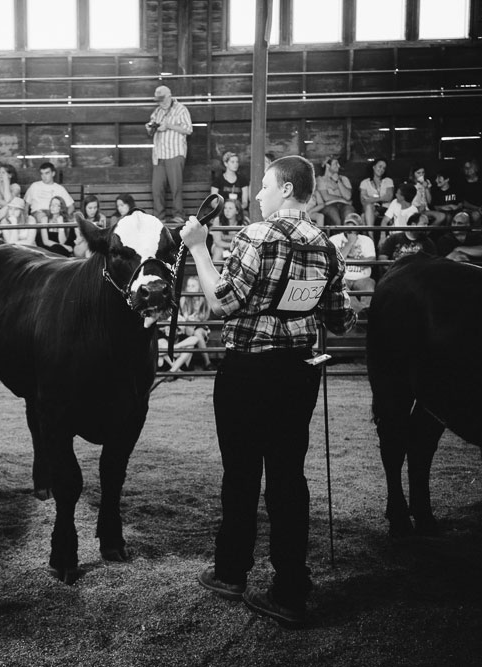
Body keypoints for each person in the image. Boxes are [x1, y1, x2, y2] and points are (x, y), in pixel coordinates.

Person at [180, 155, 354, 630]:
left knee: (240, 474)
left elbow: (222, 302)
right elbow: (340, 320)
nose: (257, 194)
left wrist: (198, 248)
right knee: (287, 477)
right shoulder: (328, 246)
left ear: (285, 189)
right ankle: (291, 588)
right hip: (298, 374)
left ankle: (232, 571)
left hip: (249, 371)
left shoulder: (255, 235)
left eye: (264, 186)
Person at [147, 84, 192, 221]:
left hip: (175, 153)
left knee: (176, 186)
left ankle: (178, 215)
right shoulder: (157, 111)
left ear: (169, 96)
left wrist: (169, 126)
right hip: (159, 155)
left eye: (163, 99)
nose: (161, 102)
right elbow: (151, 129)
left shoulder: (181, 109)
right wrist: (150, 128)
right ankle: (159, 217)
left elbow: (188, 129)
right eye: (159, 100)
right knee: (157, 188)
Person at [328, 212, 376, 317]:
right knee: (341, 288)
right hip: (342, 277)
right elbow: (335, 261)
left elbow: (370, 262)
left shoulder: (367, 240)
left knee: (369, 285)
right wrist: (350, 243)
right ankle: (362, 314)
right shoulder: (334, 239)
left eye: (353, 226)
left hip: (363, 278)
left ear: (358, 227)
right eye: (347, 225)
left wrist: (347, 257)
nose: (350, 229)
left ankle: (365, 313)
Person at [315, 156, 354, 226]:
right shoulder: (320, 179)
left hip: (345, 205)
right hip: (329, 206)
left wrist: (338, 181)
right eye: (336, 164)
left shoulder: (344, 179)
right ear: (327, 165)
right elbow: (326, 197)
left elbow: (348, 196)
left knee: (348, 217)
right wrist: (342, 198)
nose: (339, 166)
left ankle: (348, 235)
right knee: (336, 220)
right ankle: (339, 236)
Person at [359, 158, 394, 228]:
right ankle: (371, 235)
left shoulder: (388, 181)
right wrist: (381, 198)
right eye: (380, 166)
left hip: (385, 209)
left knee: (364, 216)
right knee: (368, 208)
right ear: (374, 167)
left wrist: (372, 199)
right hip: (370, 208)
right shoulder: (365, 182)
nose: (381, 170)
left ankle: (370, 236)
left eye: (384, 168)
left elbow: (389, 197)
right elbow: (363, 200)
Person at [211, 198, 245, 262]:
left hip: (237, 249)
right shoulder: (218, 220)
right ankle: (214, 272)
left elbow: (243, 243)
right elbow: (217, 242)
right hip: (220, 247)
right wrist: (232, 246)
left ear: (237, 211)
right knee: (218, 251)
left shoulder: (243, 222)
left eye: (230, 208)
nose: (227, 211)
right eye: (225, 208)